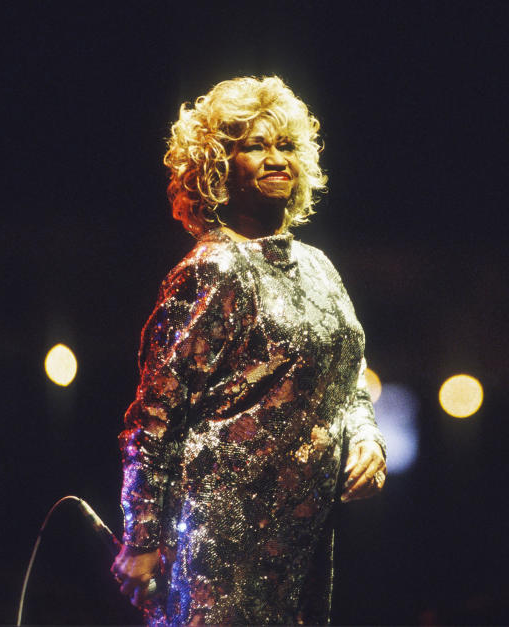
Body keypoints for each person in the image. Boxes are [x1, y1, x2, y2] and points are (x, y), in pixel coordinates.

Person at [110, 76, 387, 625]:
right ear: (215, 167)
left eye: (285, 146)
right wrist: (142, 538)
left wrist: (366, 438)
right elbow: (155, 418)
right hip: (220, 542)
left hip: (301, 542)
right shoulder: (209, 272)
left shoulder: (319, 268)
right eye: (256, 146)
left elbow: (350, 379)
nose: (276, 158)